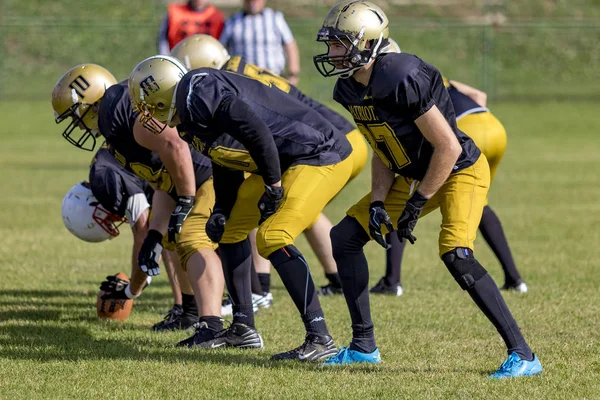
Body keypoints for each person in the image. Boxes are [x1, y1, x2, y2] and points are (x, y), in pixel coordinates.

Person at [313, 1, 542, 378]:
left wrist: (417, 203)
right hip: (414, 174)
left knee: (457, 254)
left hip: (458, 169)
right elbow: (383, 148)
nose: (332, 53)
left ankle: (524, 355)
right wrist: (375, 202)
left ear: (367, 44)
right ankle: (363, 347)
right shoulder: (349, 89)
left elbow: (448, 147)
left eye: (340, 44)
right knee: (345, 236)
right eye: (332, 44)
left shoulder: (400, 76)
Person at [128, 54, 356, 361]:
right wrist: (222, 206)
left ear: (163, 93)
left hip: (317, 153)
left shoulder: (201, 91)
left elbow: (255, 129)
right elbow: (226, 158)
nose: (147, 113)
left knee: (273, 236)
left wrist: (274, 185)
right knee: (229, 229)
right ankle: (243, 328)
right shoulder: (189, 115)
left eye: (148, 104)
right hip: (285, 160)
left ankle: (320, 337)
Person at [52, 63, 263, 349]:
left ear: (90, 101)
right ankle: (197, 316)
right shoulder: (114, 129)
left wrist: (187, 198)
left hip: (209, 169)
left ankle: (213, 327)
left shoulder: (116, 111)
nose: (76, 124)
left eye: (74, 115)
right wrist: (155, 233)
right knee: (173, 239)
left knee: (192, 237)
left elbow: (174, 144)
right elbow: (163, 180)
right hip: (198, 173)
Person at [169, 33, 369, 297]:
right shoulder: (239, 71)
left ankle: (261, 287)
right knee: (300, 208)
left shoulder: (214, 87)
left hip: (325, 142)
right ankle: (336, 278)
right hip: (340, 137)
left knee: (267, 205)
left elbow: (255, 130)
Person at [367, 39, 528, 296]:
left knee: (404, 195)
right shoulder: (432, 75)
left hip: (464, 135)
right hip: (493, 127)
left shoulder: (397, 84)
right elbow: (479, 97)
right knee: (479, 202)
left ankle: (392, 280)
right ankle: (515, 278)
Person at [219, 0, 300, 85]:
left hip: (274, 78)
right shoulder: (232, 21)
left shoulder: (275, 18)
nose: (252, 3)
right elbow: (221, 49)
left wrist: (293, 73)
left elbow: (290, 45)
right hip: (243, 81)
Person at [158, 0, 224, 55]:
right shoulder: (174, 12)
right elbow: (163, 40)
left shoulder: (216, 16)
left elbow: (222, 43)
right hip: (179, 57)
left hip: (208, 60)